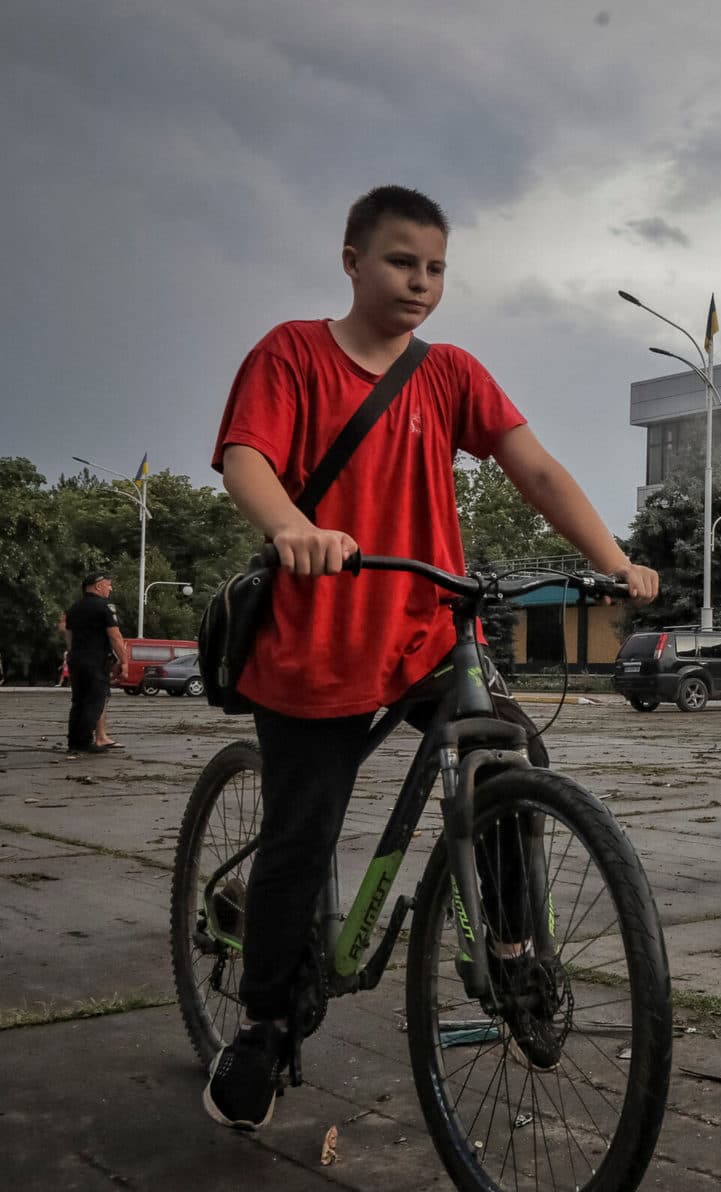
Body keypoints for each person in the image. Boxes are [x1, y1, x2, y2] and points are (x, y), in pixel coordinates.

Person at [203, 185, 660, 1131]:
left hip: (426, 631)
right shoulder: (290, 353)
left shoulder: (449, 371)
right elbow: (247, 455)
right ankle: (263, 1024)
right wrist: (295, 528)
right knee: (303, 837)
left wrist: (611, 560)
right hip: (317, 642)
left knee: (506, 759)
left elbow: (532, 467)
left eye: (436, 267)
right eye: (401, 261)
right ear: (352, 260)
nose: (420, 282)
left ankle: (511, 948)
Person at [63, 571, 129, 758]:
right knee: (95, 701)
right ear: (98, 586)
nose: (110, 588)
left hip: (76, 660)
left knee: (78, 702)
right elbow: (115, 636)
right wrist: (124, 662)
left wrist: (73, 655)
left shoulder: (74, 608)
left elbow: (69, 637)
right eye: (108, 585)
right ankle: (84, 742)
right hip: (95, 661)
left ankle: (74, 742)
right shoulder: (105, 606)